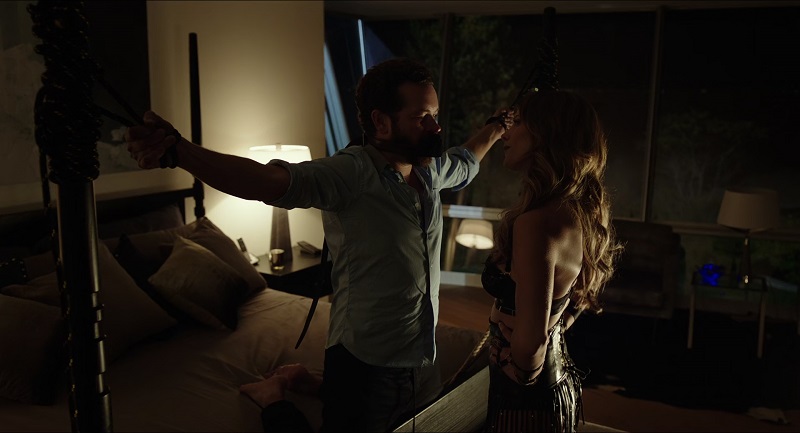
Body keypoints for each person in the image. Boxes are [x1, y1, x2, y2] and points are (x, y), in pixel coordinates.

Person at [126, 57, 509, 432]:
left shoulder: (429, 171)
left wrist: (497, 127)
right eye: (422, 117)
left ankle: (311, 383)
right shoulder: (351, 173)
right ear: (381, 122)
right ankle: (272, 397)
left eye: (435, 115)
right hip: (367, 363)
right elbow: (265, 181)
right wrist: (179, 151)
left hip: (424, 357)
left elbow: (466, 160)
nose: (436, 127)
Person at [480, 90, 622, 432]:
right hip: (554, 388)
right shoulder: (575, 213)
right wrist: (552, 324)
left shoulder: (537, 223)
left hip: (525, 403)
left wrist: (516, 364)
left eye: (518, 123)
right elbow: (577, 296)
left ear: (545, 135)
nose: (507, 133)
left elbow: (531, 346)